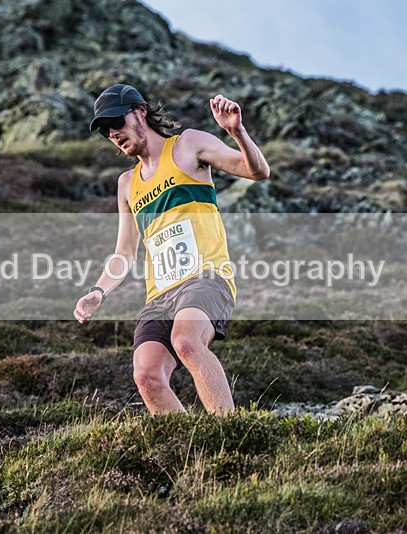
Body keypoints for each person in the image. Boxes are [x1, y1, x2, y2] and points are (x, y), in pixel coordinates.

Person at [73, 83, 269, 415]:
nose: (113, 134)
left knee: (187, 342)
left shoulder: (188, 145)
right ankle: (193, 450)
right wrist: (97, 292)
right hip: (160, 295)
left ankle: (231, 434)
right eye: (106, 131)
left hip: (206, 277)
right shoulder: (127, 184)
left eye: (116, 123)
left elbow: (257, 171)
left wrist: (236, 132)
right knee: (147, 375)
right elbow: (124, 253)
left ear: (140, 112)